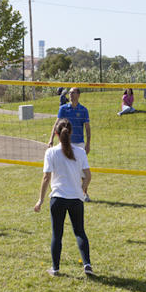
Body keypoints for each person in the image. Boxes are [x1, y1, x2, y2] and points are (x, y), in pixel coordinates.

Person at [35, 118, 93, 277]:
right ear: (72, 133)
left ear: (56, 134)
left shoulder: (51, 152)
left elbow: (46, 178)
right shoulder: (80, 152)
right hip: (76, 199)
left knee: (57, 234)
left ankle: (55, 269)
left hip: (58, 199)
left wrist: (40, 200)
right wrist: (81, 191)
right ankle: (87, 264)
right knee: (80, 232)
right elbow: (88, 176)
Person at [48, 87, 91, 200]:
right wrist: (51, 139)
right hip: (65, 143)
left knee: (82, 171)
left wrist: (88, 144)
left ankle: (83, 194)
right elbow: (56, 125)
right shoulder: (63, 109)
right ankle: (62, 192)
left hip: (79, 143)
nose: (71, 95)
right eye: (70, 93)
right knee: (64, 168)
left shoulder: (83, 110)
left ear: (78, 95)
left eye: (73, 93)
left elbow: (87, 128)